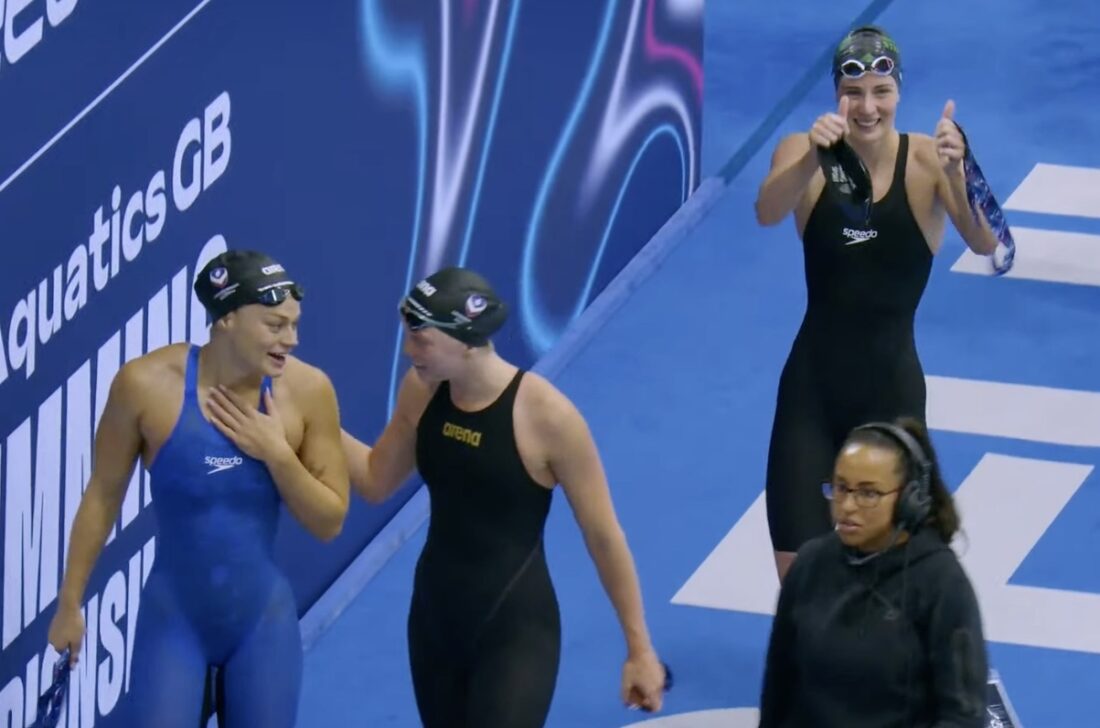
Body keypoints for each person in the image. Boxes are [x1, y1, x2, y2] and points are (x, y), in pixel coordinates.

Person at [341, 266, 668, 726]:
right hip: (433, 622)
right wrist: (310, 415)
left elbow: (603, 535)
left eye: (422, 340)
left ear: (467, 341)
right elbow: (376, 480)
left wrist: (639, 649)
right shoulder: (422, 391)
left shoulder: (549, 417)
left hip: (515, 629)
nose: (409, 351)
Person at [47, 250, 350, 727]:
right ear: (227, 319)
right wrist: (70, 603)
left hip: (262, 624)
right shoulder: (145, 386)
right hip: (174, 623)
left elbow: (330, 522)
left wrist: (277, 455)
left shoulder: (309, 392)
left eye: (294, 325)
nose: (290, 340)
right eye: (275, 325)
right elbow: (103, 496)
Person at [753, 24, 1002, 580]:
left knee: (895, 573)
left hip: (890, 395)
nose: (867, 107)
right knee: (797, 574)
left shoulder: (928, 160)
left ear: (898, 94)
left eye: (880, 92)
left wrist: (959, 171)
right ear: (836, 93)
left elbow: (985, 243)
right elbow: (767, 211)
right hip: (810, 393)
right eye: (854, 91)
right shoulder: (803, 150)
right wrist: (812, 161)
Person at [758, 417, 989, 727]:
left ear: (910, 499)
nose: (847, 506)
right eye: (840, 488)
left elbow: (963, 716)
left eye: (868, 494)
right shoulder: (812, 564)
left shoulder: (942, 584)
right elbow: (779, 685)